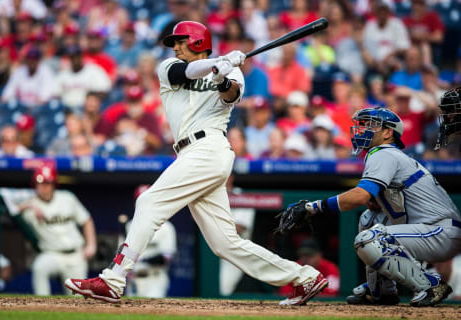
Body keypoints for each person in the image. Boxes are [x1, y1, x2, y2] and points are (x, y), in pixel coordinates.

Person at [65, 20, 328, 305]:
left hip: (210, 147)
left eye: (181, 41)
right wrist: (218, 64)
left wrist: (223, 77)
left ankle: (113, 279)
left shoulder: (232, 71)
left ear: (198, 42)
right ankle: (304, 277)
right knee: (225, 243)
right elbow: (186, 72)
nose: (175, 47)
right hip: (191, 152)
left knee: (149, 202)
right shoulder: (168, 67)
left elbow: (231, 95)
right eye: (174, 42)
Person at [276, 107, 461, 307]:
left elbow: (360, 195)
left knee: (369, 240)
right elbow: (375, 201)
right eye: (364, 125)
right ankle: (381, 290)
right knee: (369, 218)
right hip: (430, 230)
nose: (364, 129)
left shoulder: (384, 153)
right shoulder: (389, 155)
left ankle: (431, 285)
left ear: (388, 133)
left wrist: (313, 207)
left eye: (372, 125)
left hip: (441, 231)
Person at [18, 165, 97, 295]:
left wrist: (91, 245)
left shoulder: (67, 198)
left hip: (75, 254)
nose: (44, 186)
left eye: (47, 183)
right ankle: (41, 306)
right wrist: (29, 205)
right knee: (39, 268)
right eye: (40, 183)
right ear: (35, 184)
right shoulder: (30, 205)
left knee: (77, 299)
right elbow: (7, 207)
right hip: (52, 254)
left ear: (54, 184)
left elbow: (86, 220)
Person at [124, 185, 177, 298]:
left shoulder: (166, 227)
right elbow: (122, 254)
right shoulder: (129, 226)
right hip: (133, 279)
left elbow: (165, 258)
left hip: (154, 279)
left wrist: (141, 260)